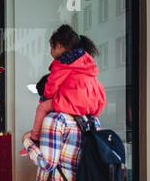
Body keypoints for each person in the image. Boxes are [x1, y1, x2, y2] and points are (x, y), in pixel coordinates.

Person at [20, 24, 106, 155]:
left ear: (59, 46)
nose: (50, 52)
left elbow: (52, 84)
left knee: (42, 107)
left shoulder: (63, 63)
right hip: (92, 102)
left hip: (73, 100)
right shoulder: (86, 60)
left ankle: (35, 137)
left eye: (51, 47)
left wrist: (46, 97)